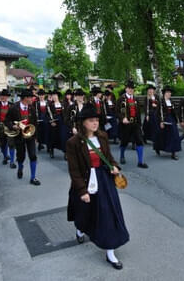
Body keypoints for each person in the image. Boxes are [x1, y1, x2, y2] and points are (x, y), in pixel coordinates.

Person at [66, 104, 129, 270]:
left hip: (104, 181)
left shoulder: (102, 136)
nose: (95, 123)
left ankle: (110, 252)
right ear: (83, 123)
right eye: (91, 120)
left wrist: (114, 166)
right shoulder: (73, 143)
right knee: (85, 213)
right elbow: (74, 170)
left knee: (109, 214)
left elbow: (108, 157)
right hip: (86, 181)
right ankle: (80, 230)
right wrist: (82, 191)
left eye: (96, 120)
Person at [4, 89, 40, 186]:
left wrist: (36, 137)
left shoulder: (32, 108)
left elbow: (35, 123)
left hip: (30, 135)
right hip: (19, 136)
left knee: (33, 155)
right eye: (31, 97)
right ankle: (20, 167)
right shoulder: (13, 108)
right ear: (25, 98)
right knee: (21, 156)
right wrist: (13, 126)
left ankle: (33, 177)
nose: (32, 99)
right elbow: (6, 120)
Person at [116, 81, 148, 168]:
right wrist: (122, 118)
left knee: (139, 141)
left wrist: (140, 124)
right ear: (126, 89)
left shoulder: (135, 99)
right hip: (125, 124)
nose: (131, 90)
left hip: (135, 123)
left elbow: (138, 113)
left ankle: (140, 162)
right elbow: (117, 112)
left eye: (132, 88)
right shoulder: (121, 99)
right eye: (129, 88)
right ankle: (122, 156)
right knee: (124, 142)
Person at [154, 86, 181, 160]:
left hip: (171, 119)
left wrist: (177, 120)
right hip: (164, 120)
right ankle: (158, 147)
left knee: (174, 135)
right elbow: (157, 113)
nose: (169, 94)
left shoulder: (171, 101)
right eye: (168, 92)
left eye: (170, 92)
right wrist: (161, 122)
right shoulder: (161, 102)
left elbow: (174, 112)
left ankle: (173, 152)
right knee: (162, 136)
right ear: (164, 94)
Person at [0, 89, 16, 168]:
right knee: (3, 144)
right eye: (2, 96)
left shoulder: (12, 105)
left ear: (8, 97)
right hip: (0, 127)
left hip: (10, 127)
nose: (3, 97)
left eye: (5, 96)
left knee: (11, 144)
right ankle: (5, 156)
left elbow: (16, 116)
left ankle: (12, 161)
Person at [47, 90, 64, 159]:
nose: (54, 97)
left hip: (61, 122)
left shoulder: (62, 104)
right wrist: (51, 122)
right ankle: (51, 150)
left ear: (58, 96)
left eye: (55, 95)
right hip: (54, 122)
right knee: (53, 137)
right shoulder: (50, 105)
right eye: (53, 95)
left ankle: (65, 152)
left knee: (62, 137)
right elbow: (47, 115)